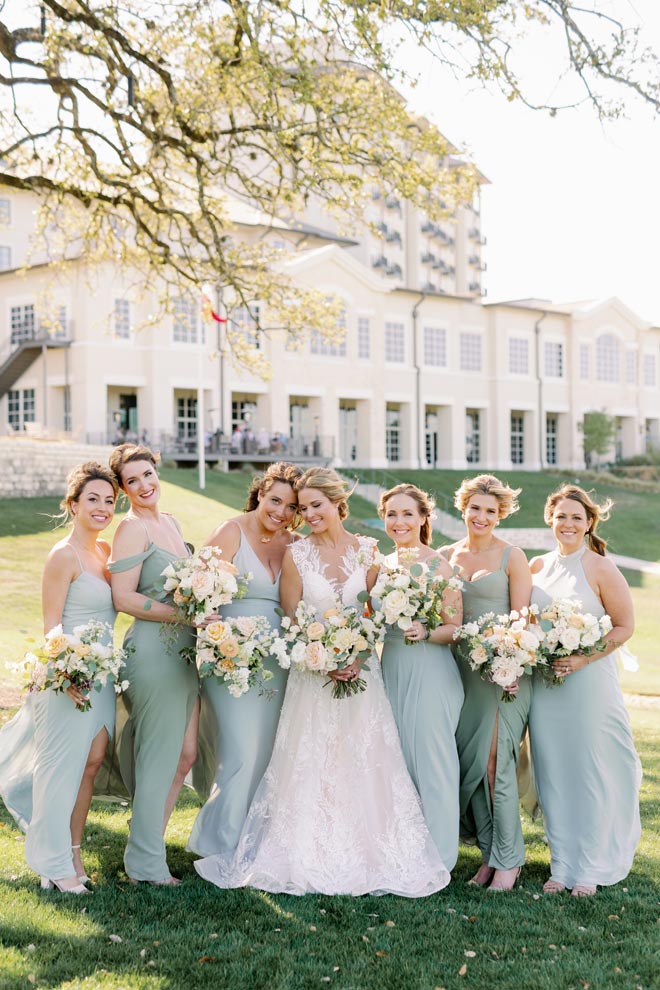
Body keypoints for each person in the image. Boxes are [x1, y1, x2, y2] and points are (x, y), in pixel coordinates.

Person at [194, 467, 450, 895]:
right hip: (311, 677)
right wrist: (321, 657)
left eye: (316, 506)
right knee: (312, 759)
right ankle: (305, 849)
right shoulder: (298, 555)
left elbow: (379, 615)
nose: (308, 514)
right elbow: (290, 619)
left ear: (338, 506)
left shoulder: (369, 551)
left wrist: (358, 654)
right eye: (303, 507)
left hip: (361, 676)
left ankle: (369, 852)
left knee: (362, 758)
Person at [0, 461, 119, 893]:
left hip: (102, 676)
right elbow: (51, 625)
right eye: (93, 499)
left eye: (109, 500)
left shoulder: (106, 554)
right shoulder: (62, 555)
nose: (103, 507)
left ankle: (71, 851)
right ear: (73, 504)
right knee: (60, 769)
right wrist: (65, 670)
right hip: (67, 677)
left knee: (89, 765)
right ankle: (51, 863)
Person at [529, 484, 641, 896]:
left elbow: (625, 626)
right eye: (561, 516)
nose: (568, 523)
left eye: (577, 517)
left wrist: (582, 658)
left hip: (589, 682)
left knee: (590, 770)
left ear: (589, 522)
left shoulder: (600, 567)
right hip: (546, 686)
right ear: (550, 519)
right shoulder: (536, 567)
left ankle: (591, 865)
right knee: (553, 772)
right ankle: (561, 865)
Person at [188, 462, 303, 857]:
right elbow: (198, 593)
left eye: (291, 507)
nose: (281, 512)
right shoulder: (230, 532)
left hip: (279, 662)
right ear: (260, 494)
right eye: (275, 500)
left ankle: (257, 842)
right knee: (240, 750)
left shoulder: (294, 543)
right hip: (231, 658)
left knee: (270, 751)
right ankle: (221, 844)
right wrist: (213, 632)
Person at [108, 443, 199, 885]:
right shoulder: (130, 529)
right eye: (133, 481)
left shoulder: (171, 523)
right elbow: (123, 597)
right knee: (161, 756)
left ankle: (149, 843)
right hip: (152, 650)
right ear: (124, 489)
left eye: (148, 474)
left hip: (183, 651)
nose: (144, 485)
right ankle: (144, 864)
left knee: (184, 754)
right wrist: (185, 613)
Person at [442, 474, 532, 891]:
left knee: (497, 764)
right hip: (459, 671)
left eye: (490, 511)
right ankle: (488, 856)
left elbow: (522, 619)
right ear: (463, 509)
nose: (481, 517)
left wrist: (510, 667)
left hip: (502, 674)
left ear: (501, 515)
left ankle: (510, 860)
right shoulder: (446, 555)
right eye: (475, 508)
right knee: (473, 765)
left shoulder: (512, 556)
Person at [377, 484, 464, 872]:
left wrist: (426, 631)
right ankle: (405, 852)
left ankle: (440, 858)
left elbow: (455, 627)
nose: (399, 522)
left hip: (430, 669)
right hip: (391, 665)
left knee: (433, 763)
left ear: (423, 518)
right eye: (392, 514)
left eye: (407, 514)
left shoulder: (439, 565)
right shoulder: (380, 565)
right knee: (397, 763)